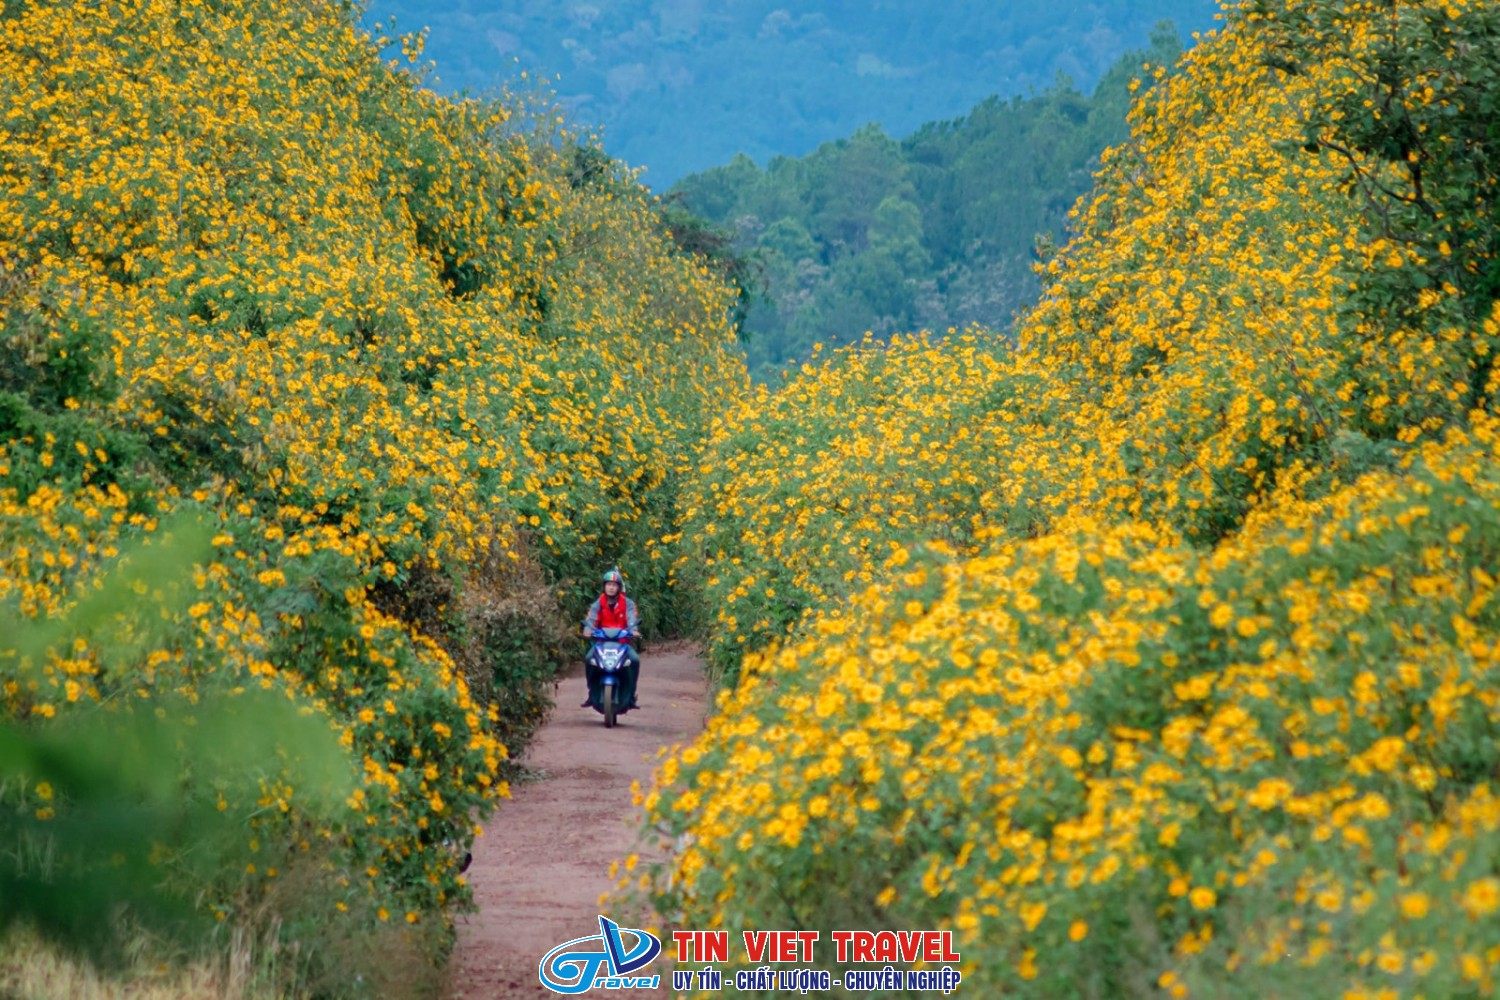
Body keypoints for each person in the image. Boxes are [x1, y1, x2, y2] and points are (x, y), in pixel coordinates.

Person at [581, 569, 641, 709]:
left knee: (634, 661)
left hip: (623, 644)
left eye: (614, 585)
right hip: (601, 644)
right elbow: (591, 619)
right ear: (604, 586)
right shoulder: (598, 603)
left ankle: (631, 696)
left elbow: (632, 619)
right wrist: (588, 630)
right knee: (589, 659)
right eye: (608, 584)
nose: (611, 587)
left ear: (619, 587)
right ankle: (592, 693)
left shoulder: (628, 603)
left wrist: (634, 630)